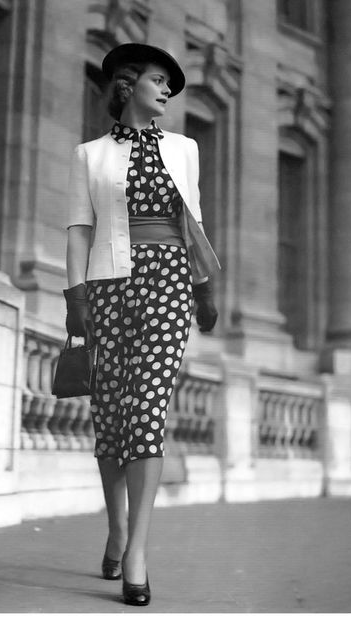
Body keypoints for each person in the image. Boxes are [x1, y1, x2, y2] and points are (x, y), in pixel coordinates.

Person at [64, 43, 220, 606]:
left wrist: (203, 288)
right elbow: (80, 227)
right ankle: (117, 527)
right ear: (128, 85)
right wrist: (74, 294)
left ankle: (137, 551)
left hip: (168, 287)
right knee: (110, 414)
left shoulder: (185, 149)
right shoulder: (90, 155)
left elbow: (192, 219)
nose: (168, 91)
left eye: (171, 85)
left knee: (148, 411)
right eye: (159, 80)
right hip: (108, 288)